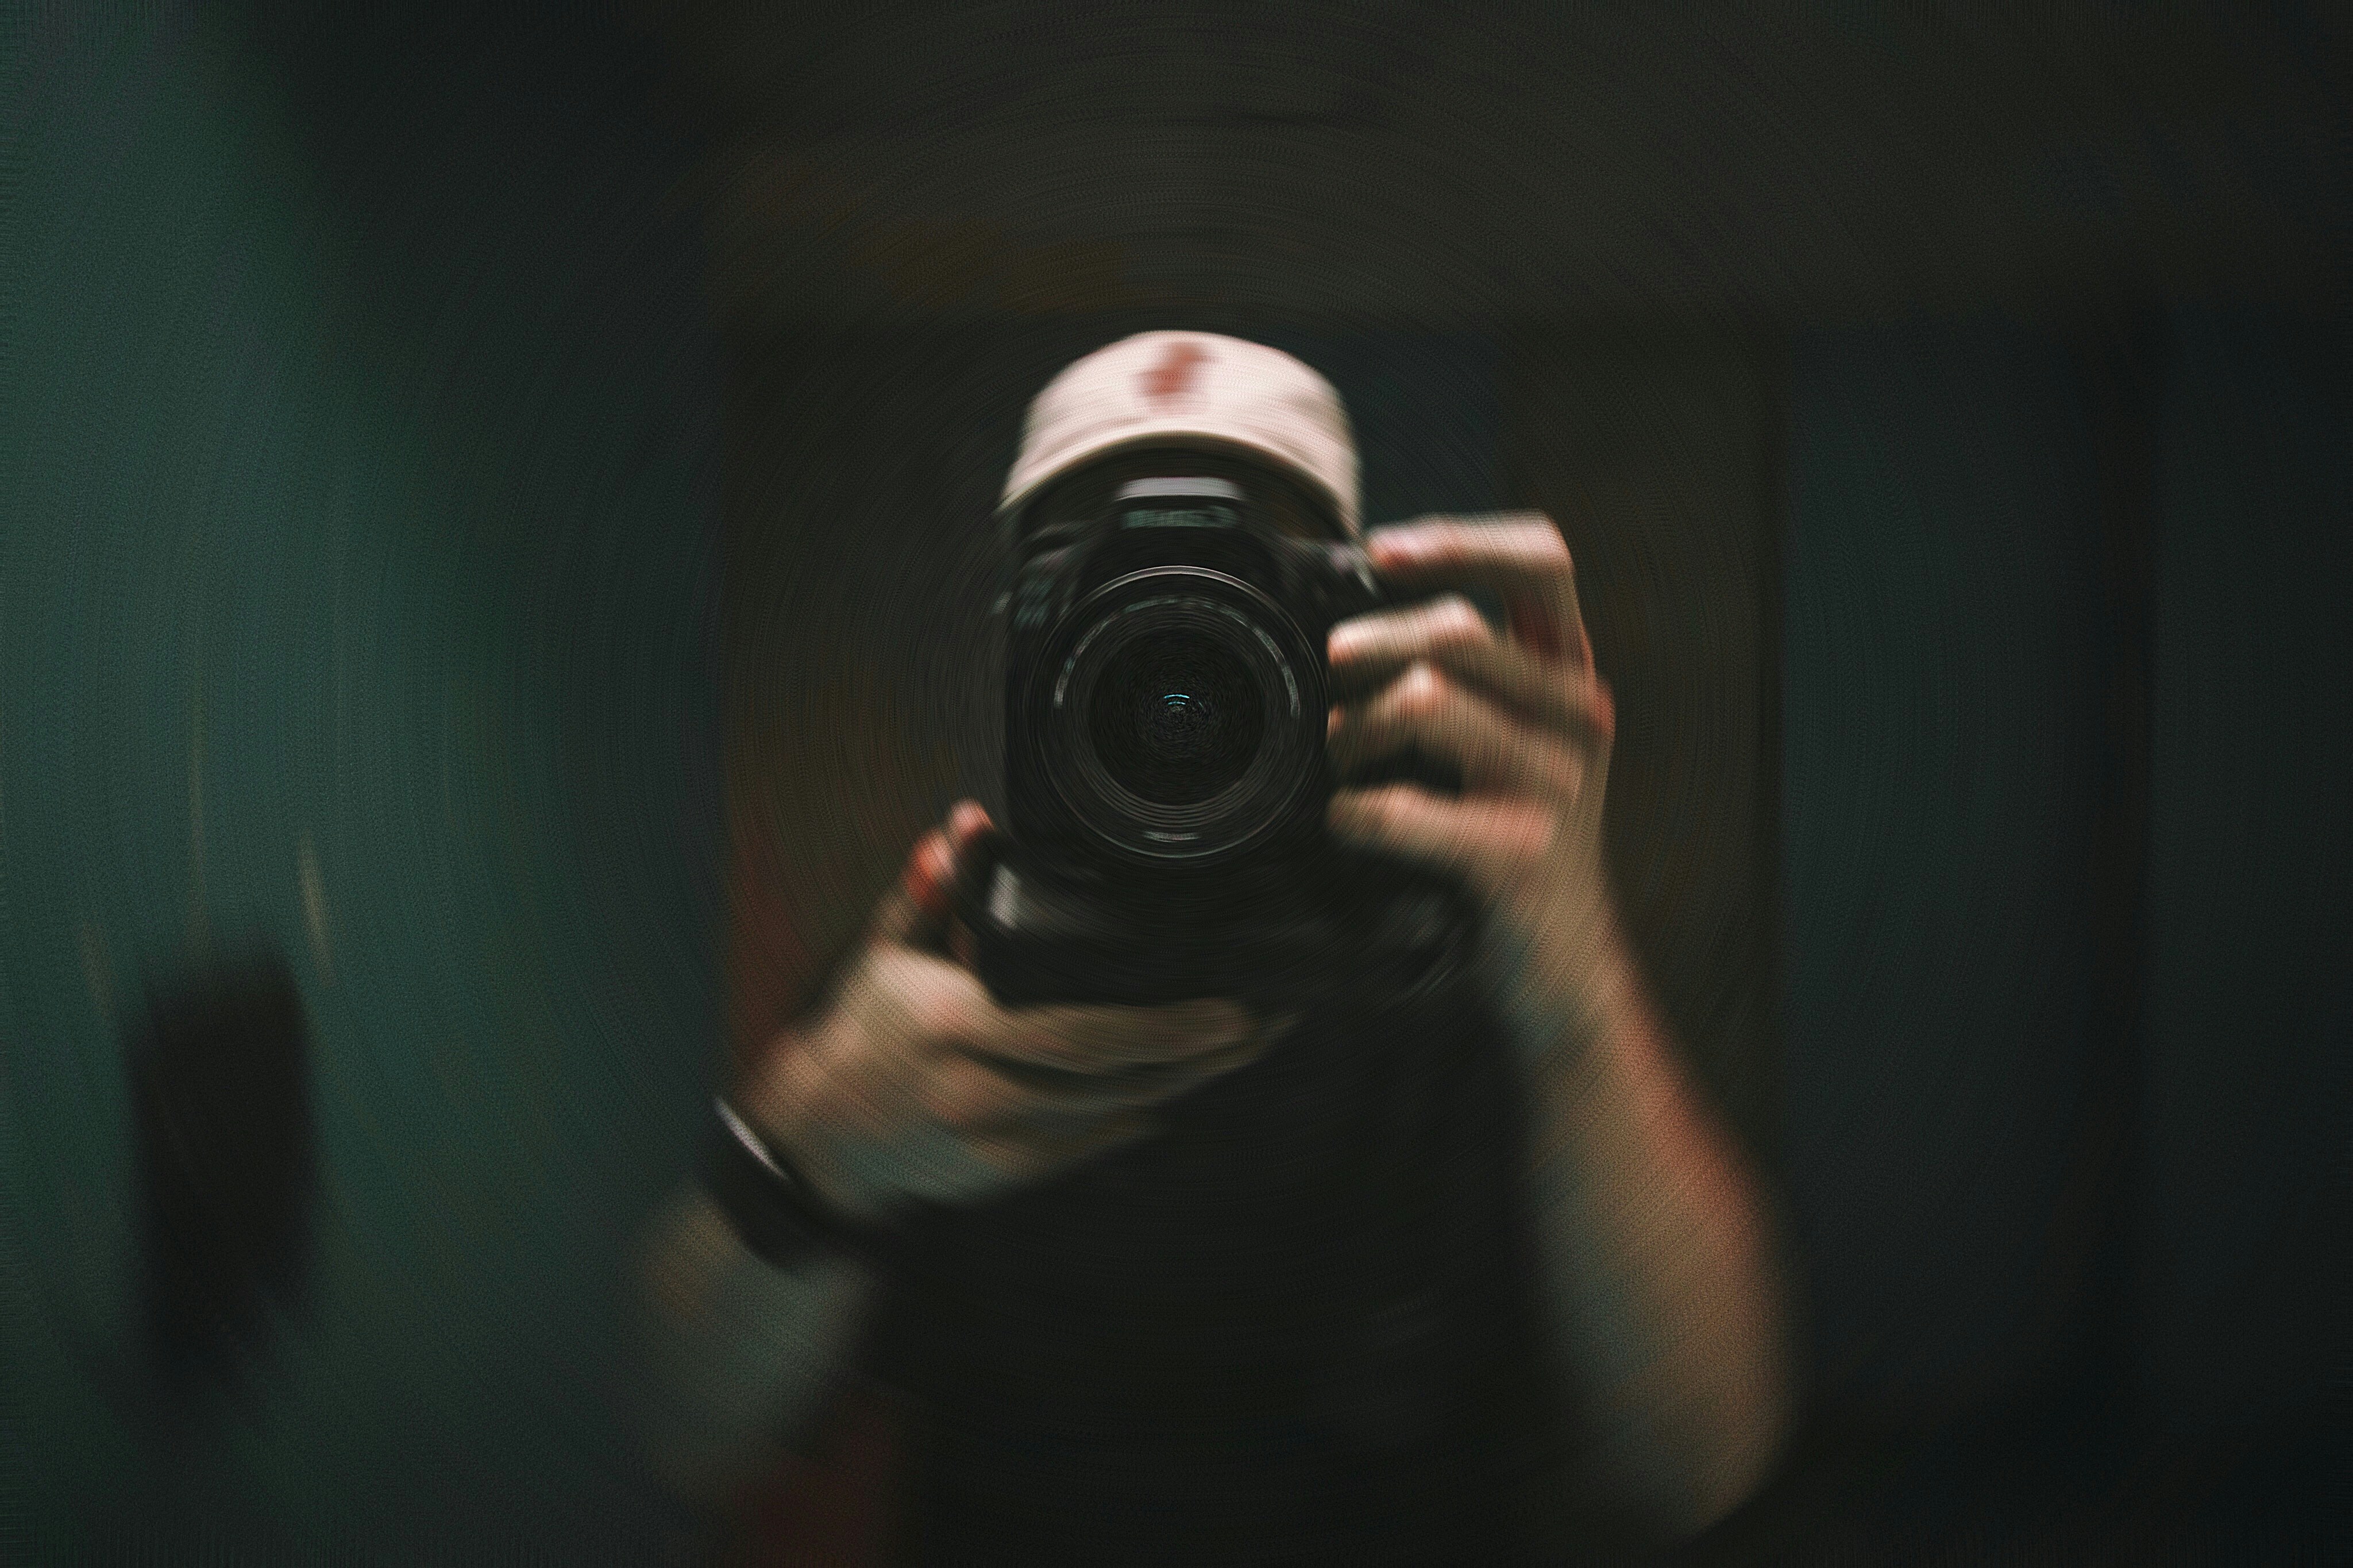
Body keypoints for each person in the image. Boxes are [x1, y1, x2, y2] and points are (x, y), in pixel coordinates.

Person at [640, 331, 1795, 1563]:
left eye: (1234, 592)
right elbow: (685, 1431)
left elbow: (1698, 1460)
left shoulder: (1459, 952)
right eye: (1113, 592)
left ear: (1341, 626)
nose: (1173, 671)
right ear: (1020, 640)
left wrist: (1575, 993)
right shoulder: (943, 978)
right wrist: (810, 1148)